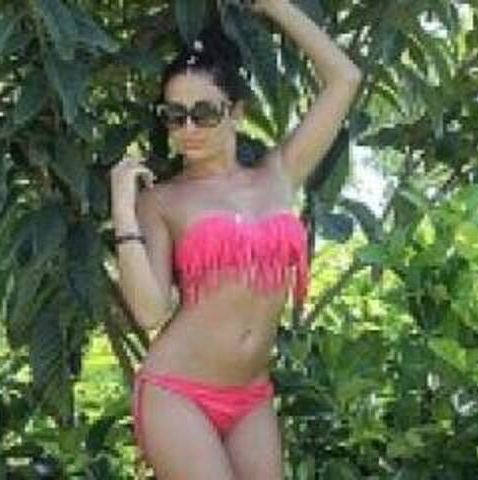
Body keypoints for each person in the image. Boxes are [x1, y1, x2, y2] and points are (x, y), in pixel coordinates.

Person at [110, 1, 361, 478]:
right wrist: (123, 208)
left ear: (237, 113)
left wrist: (275, 6)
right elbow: (149, 312)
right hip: (176, 394)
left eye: (204, 113)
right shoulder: (162, 201)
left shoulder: (279, 174)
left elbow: (344, 79)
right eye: (174, 115)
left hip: (251, 397)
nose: (188, 129)